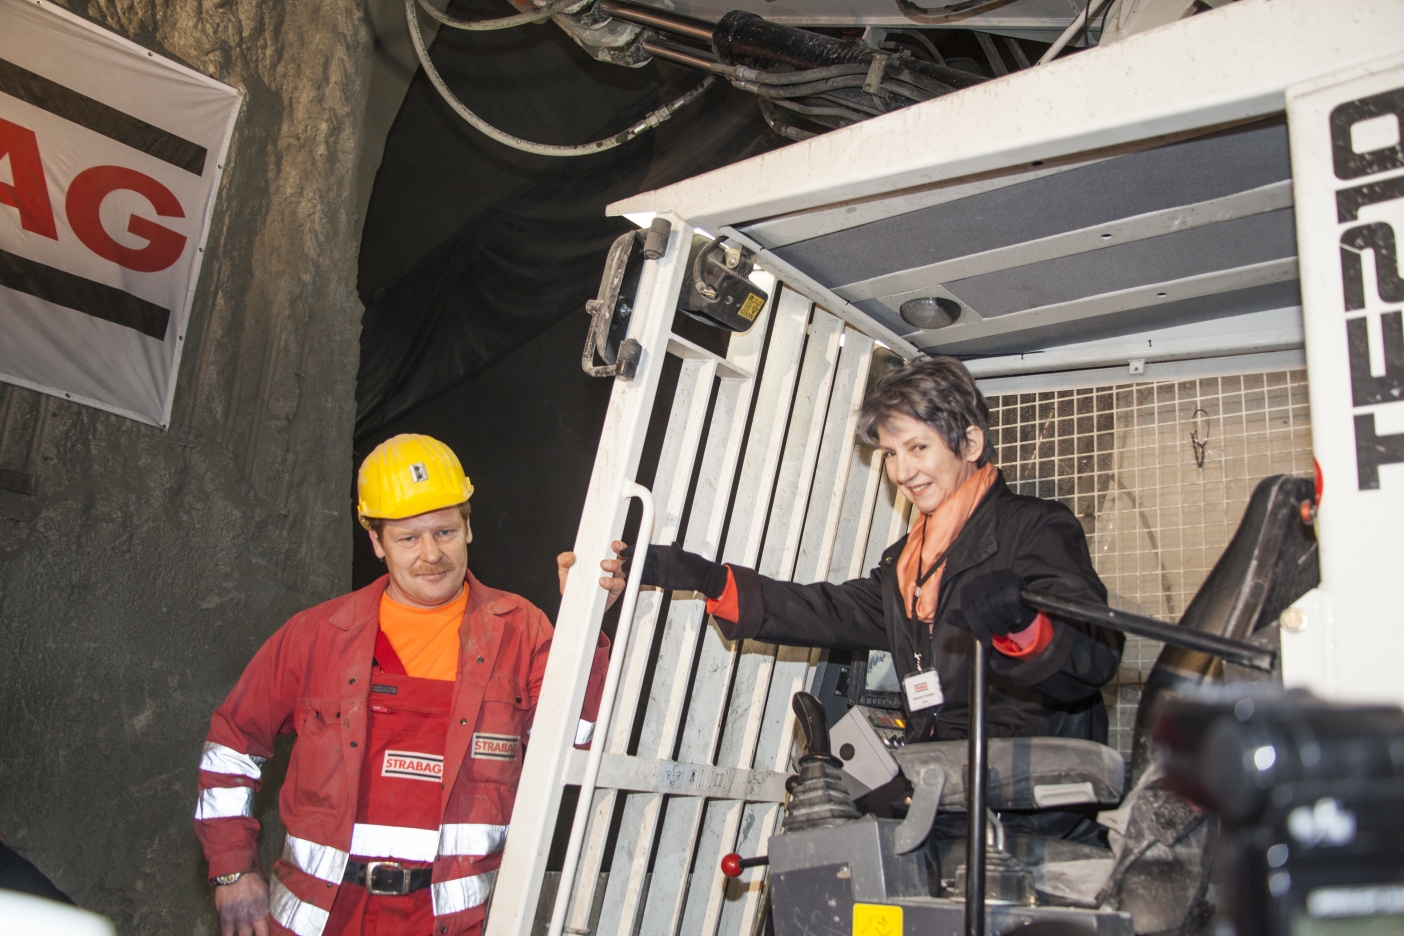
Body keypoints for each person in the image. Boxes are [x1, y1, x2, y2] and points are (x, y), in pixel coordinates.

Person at [578, 357, 1122, 841]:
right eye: (890, 453)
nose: (902, 471)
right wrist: (704, 577)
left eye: (918, 447)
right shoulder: (906, 566)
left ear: (971, 444)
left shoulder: (1033, 529)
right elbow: (825, 611)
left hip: (1035, 816)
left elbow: (1095, 653)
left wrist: (1021, 625)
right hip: (945, 808)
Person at [194, 435, 608, 936]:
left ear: (469, 527)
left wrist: (585, 629)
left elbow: (576, 745)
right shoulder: (318, 636)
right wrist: (232, 868)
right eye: (409, 538)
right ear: (376, 542)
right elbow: (232, 746)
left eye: (445, 531)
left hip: (456, 924)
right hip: (321, 920)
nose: (432, 554)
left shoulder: (520, 630)